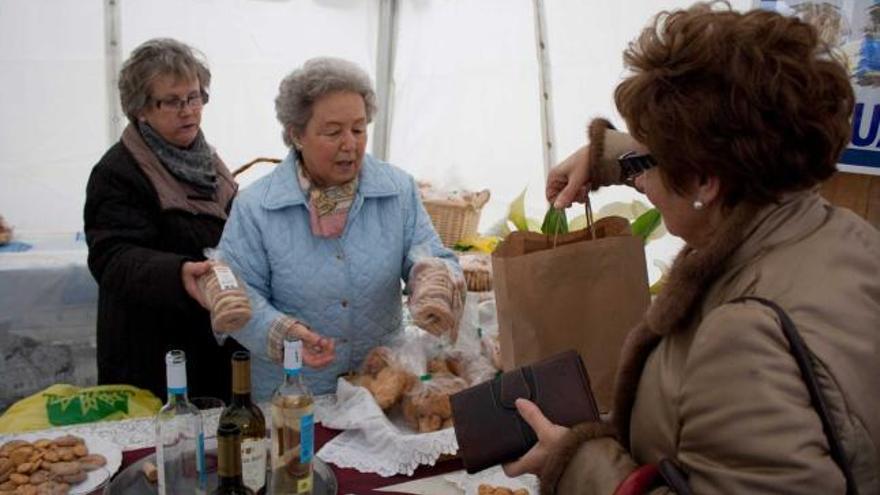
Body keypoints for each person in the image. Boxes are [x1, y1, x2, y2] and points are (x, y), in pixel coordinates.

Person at [505, 3, 880, 494]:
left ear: (705, 178)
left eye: (649, 164)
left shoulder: (742, 335)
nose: (644, 183)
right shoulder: (847, 234)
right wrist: (611, 156)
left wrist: (575, 464)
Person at [218, 57, 464, 400]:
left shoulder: (397, 190)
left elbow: (432, 256)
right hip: (293, 397)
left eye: (359, 129)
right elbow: (236, 296)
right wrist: (283, 333)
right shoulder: (256, 207)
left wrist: (433, 281)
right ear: (296, 135)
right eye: (333, 132)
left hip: (381, 388)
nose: (350, 144)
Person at [84, 38, 243, 400]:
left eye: (194, 96)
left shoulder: (206, 160)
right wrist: (176, 272)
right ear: (141, 109)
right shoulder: (118, 172)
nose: (188, 111)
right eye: (172, 101)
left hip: (210, 345)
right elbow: (111, 257)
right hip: (152, 353)